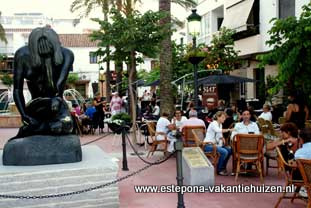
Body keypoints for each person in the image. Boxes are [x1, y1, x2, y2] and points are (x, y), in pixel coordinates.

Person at [12, 26, 74, 138]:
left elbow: (58, 87)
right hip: (36, 105)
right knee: (55, 125)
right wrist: (24, 114)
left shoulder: (66, 55)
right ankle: (43, 126)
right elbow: (17, 89)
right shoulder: (22, 55)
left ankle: (38, 128)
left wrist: (49, 65)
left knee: (65, 124)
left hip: (56, 104)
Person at [204, 111, 233, 175]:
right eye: (222, 117)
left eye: (225, 117)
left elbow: (219, 135)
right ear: (217, 117)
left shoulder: (220, 124)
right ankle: (219, 170)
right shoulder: (213, 123)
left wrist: (221, 138)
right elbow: (217, 130)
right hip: (208, 145)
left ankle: (222, 167)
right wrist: (228, 130)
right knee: (224, 152)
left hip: (215, 145)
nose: (224, 119)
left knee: (230, 150)